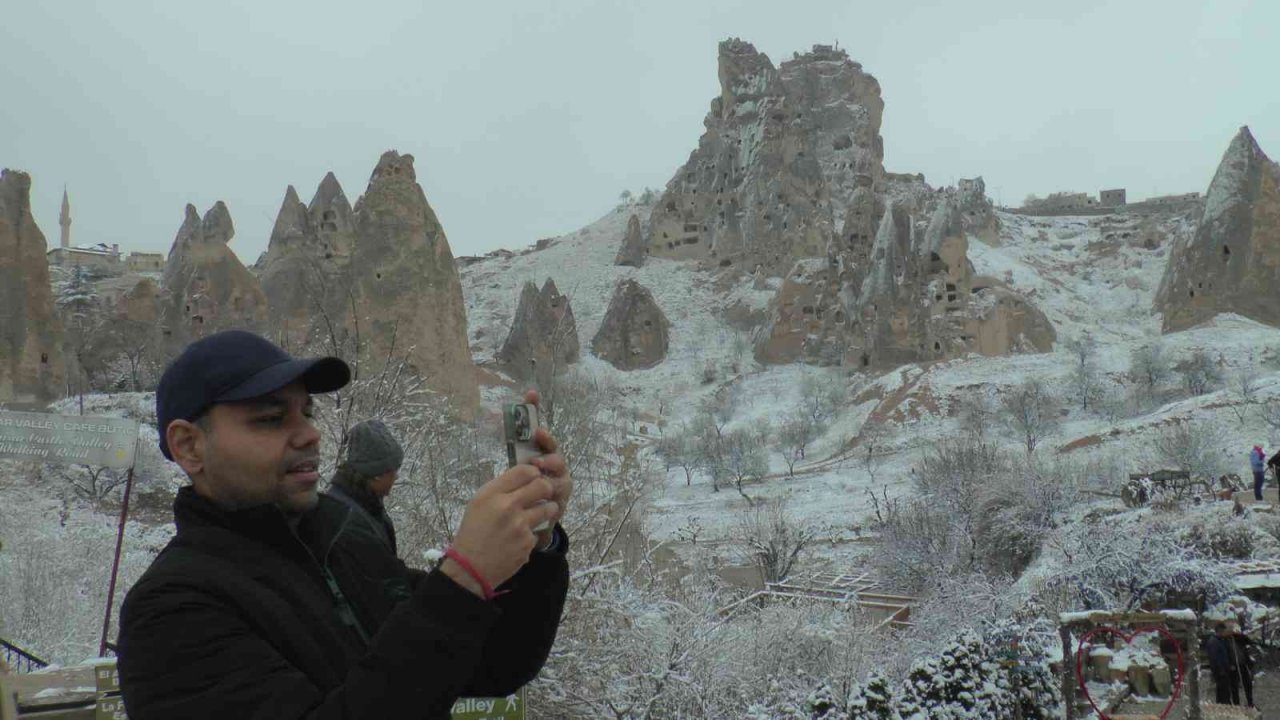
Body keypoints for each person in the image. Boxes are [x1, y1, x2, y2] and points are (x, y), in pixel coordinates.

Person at [117, 330, 572, 719]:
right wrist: (463, 579)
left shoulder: (339, 539)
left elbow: (494, 663)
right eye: (271, 419)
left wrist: (535, 544)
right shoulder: (171, 612)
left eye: (308, 413)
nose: (310, 434)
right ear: (189, 446)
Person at [326, 419, 404, 555]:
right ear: (377, 474)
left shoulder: (368, 505)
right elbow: (384, 573)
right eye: (394, 470)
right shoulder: (350, 524)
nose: (396, 477)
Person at [1207, 622, 1240, 705]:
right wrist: (1220, 669)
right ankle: (1223, 704)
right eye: (1223, 631)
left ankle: (1224, 703)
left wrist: (1230, 665)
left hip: (1225, 669)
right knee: (1222, 690)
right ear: (1219, 631)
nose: (1224, 633)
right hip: (1219, 670)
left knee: (1225, 689)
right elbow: (1214, 658)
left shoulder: (1222, 640)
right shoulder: (1213, 642)